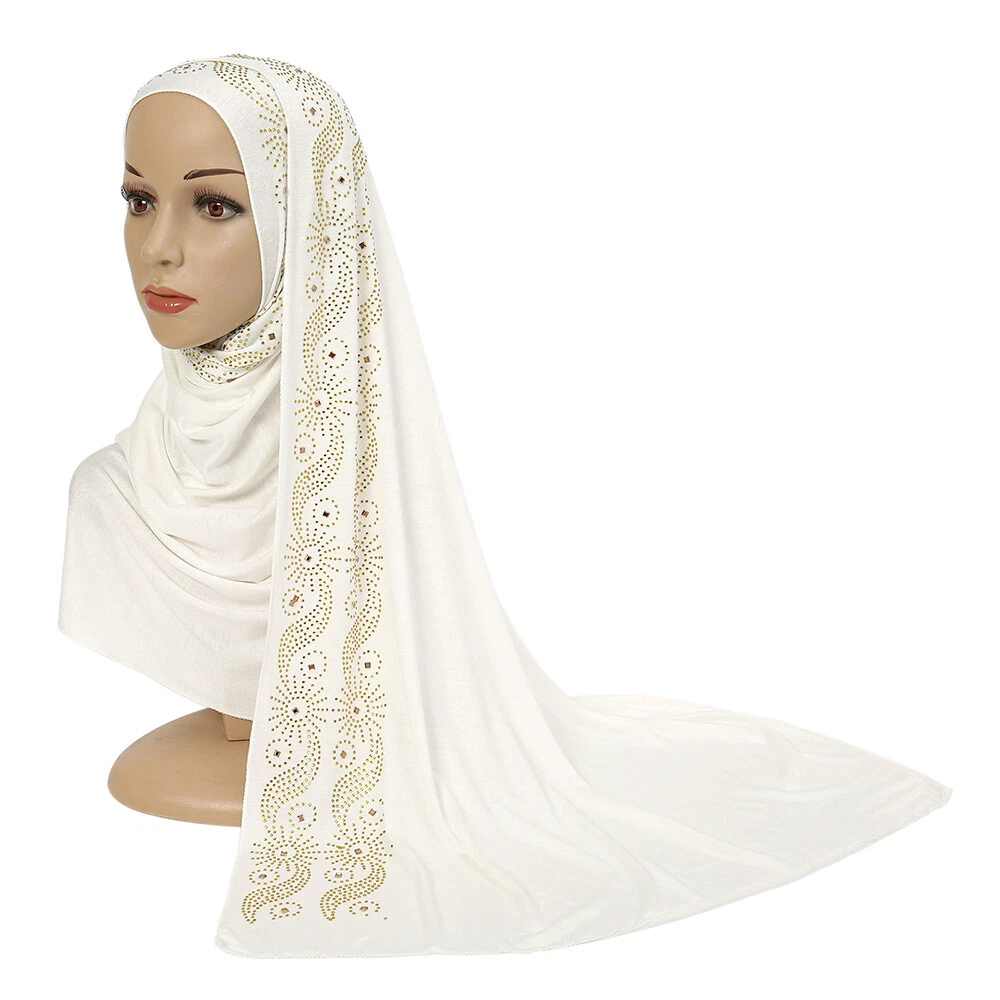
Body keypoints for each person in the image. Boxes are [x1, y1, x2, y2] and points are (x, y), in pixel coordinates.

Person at [58, 53, 952, 959]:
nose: (158, 246)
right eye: (139, 199)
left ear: (308, 221)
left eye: (215, 206)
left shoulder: (366, 479)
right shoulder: (112, 498)